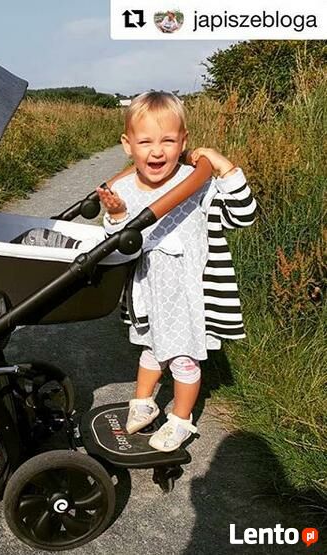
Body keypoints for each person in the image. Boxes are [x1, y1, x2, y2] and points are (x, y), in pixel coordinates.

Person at [97, 91, 256, 452]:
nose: (157, 151)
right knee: (151, 349)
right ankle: (143, 401)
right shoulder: (123, 188)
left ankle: (181, 420)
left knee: (183, 359)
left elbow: (243, 215)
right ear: (128, 145)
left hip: (189, 294)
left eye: (168, 141)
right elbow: (118, 247)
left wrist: (221, 165)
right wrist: (118, 215)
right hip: (150, 292)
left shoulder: (195, 181)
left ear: (183, 142)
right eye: (146, 142)